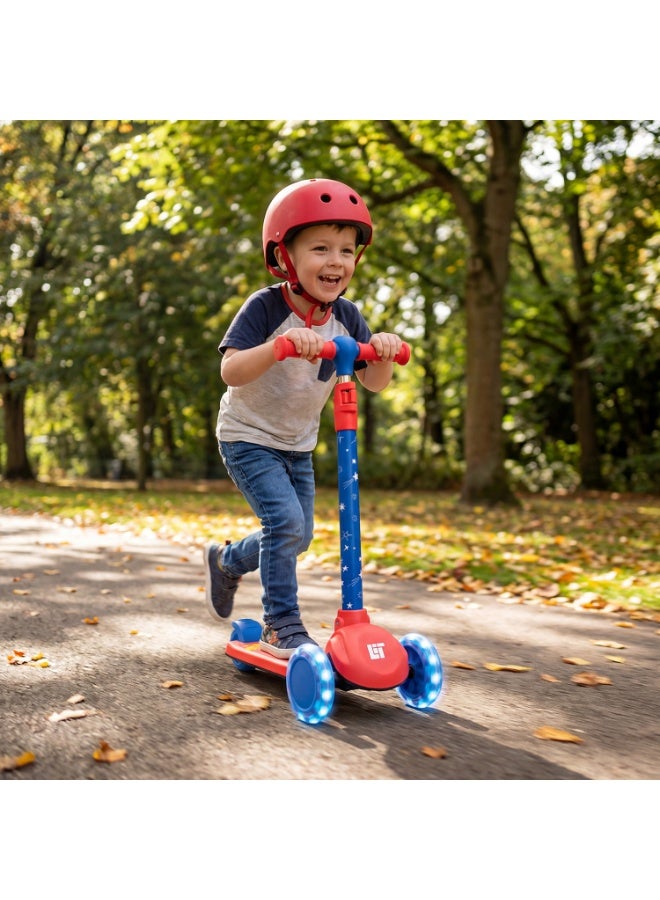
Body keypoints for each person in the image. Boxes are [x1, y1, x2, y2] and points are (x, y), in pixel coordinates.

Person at [203, 178, 403, 659]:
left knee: (298, 536)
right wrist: (278, 347)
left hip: (297, 444)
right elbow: (230, 370)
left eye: (347, 250)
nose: (336, 261)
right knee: (287, 525)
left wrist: (383, 353)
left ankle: (228, 561)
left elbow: (375, 381)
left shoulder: (347, 317)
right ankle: (282, 625)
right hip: (247, 436)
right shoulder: (266, 306)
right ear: (284, 256)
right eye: (320, 248)